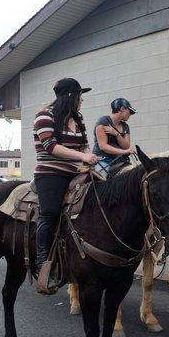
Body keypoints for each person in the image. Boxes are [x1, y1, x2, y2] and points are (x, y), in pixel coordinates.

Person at [33, 77, 98, 291]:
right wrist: (82, 158)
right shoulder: (44, 116)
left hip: (76, 173)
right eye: (80, 96)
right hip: (51, 173)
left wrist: (89, 156)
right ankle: (42, 263)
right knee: (50, 212)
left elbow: (85, 146)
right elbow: (51, 146)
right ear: (70, 96)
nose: (82, 101)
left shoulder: (77, 119)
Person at [93, 98, 137, 178]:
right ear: (122, 109)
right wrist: (124, 152)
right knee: (100, 180)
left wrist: (116, 134)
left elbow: (126, 146)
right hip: (104, 159)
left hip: (121, 160)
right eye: (129, 112)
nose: (130, 115)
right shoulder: (104, 121)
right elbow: (103, 147)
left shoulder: (125, 126)